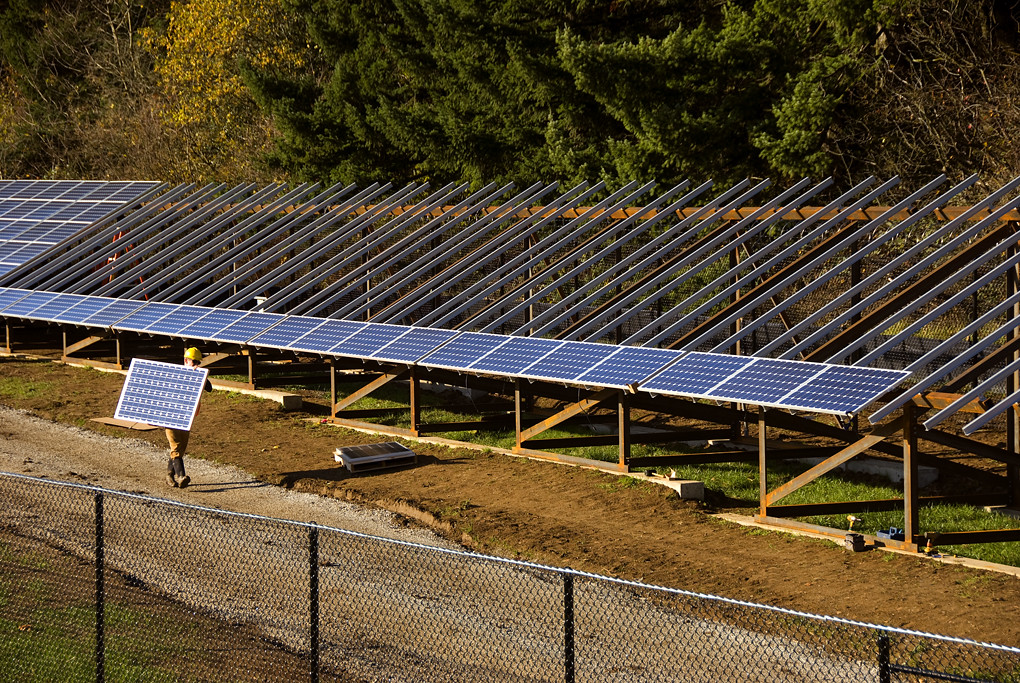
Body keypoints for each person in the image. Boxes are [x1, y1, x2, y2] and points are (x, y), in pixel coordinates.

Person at [165, 346, 212, 488]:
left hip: (186, 418)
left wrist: (201, 376)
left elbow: (209, 388)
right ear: (186, 360)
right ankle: (181, 476)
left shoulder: (197, 374)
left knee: (180, 448)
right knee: (176, 446)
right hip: (171, 416)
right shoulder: (175, 375)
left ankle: (169, 474)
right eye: (194, 362)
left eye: (198, 362)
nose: (196, 365)